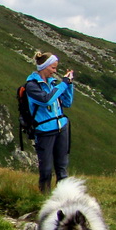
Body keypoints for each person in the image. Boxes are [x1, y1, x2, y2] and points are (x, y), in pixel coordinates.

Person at [26, 51, 74, 193]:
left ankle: (62, 198)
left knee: (62, 167)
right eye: (53, 68)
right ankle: (44, 198)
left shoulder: (53, 84)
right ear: (44, 67)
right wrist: (63, 84)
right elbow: (46, 99)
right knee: (46, 169)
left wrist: (69, 85)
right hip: (45, 131)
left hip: (61, 127)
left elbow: (67, 102)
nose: (55, 71)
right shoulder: (32, 86)